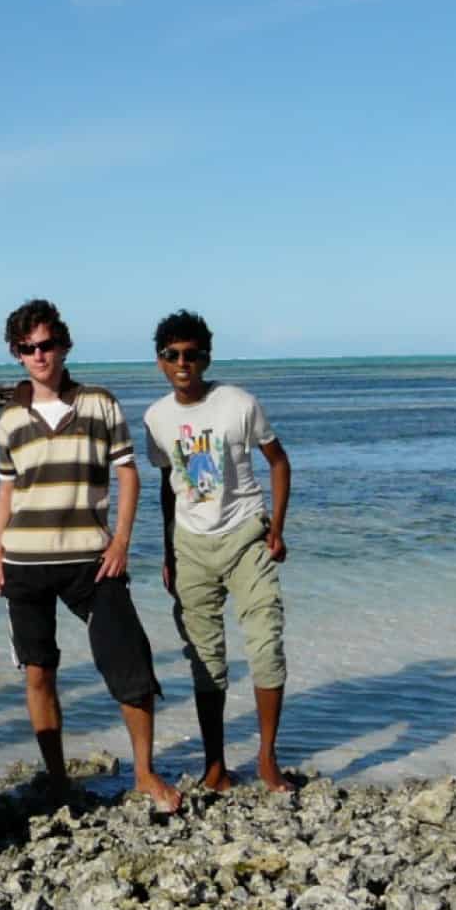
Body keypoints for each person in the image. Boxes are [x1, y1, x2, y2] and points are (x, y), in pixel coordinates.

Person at [0, 299, 181, 810]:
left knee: (129, 661)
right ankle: (57, 779)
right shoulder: (9, 419)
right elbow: (6, 491)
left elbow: (128, 475)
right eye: (27, 349)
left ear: (64, 345)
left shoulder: (100, 404)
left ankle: (144, 772)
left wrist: (121, 541)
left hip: (91, 560)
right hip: (24, 562)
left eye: (46, 344)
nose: (38, 355)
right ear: (17, 354)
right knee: (38, 671)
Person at [144, 309, 294, 793]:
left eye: (192, 354)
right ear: (161, 361)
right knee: (205, 658)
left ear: (206, 357)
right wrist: (168, 551)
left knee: (266, 643)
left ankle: (267, 760)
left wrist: (277, 530)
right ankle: (215, 765)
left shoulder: (238, 403)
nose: (183, 363)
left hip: (246, 537)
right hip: (190, 546)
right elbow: (168, 486)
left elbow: (279, 461)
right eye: (173, 355)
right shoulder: (156, 418)